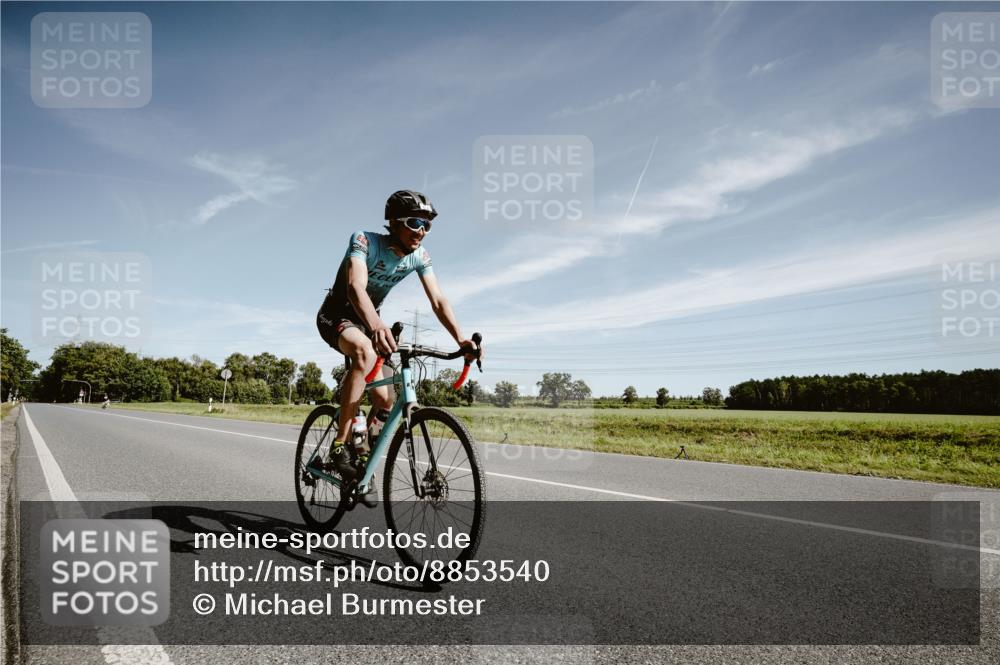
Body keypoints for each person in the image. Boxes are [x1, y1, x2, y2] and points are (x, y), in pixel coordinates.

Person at [314, 190, 481, 507]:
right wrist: (377, 326)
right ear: (393, 222)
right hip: (336, 315)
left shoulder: (420, 256)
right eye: (415, 222)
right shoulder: (365, 240)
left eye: (427, 225)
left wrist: (460, 338)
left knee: (385, 400)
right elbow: (354, 287)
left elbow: (438, 300)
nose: (421, 230)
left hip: (369, 322)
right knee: (363, 351)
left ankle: (364, 458)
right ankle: (339, 445)